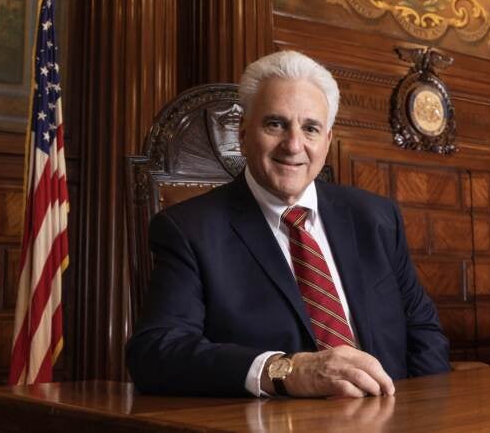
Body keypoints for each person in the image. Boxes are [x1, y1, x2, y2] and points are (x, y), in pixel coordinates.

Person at [125, 50, 450, 398]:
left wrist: (418, 410)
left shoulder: (376, 218)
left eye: (310, 128)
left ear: (327, 141)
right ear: (244, 132)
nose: (293, 145)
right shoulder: (188, 230)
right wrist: (284, 371)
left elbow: (424, 332)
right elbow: (156, 352)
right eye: (275, 124)